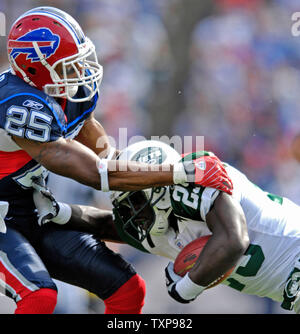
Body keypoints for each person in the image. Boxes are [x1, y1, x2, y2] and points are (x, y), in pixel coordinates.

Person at [0, 7, 232, 314]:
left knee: (127, 289)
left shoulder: (65, 91)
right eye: (69, 66)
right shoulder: (17, 104)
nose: (80, 71)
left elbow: (103, 151)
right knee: (39, 296)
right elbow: (95, 173)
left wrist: (137, 173)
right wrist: (179, 172)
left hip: (30, 210)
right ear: (35, 69)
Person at [44, 140, 300, 313]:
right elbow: (107, 224)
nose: (131, 212)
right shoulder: (158, 220)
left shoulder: (199, 180)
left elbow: (234, 241)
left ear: (161, 188)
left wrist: (184, 289)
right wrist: (56, 211)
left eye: (134, 200)